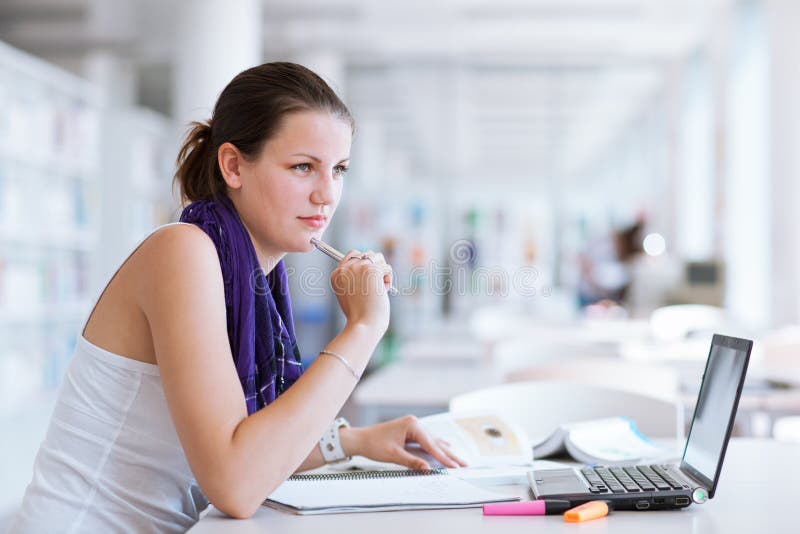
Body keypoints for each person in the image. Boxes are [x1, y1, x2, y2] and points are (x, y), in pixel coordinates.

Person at [11, 62, 464, 533]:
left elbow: (253, 449)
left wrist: (354, 441)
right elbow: (236, 481)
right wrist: (364, 329)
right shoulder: (182, 252)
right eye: (303, 167)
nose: (327, 194)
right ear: (233, 166)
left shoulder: (257, 275)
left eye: (339, 169)